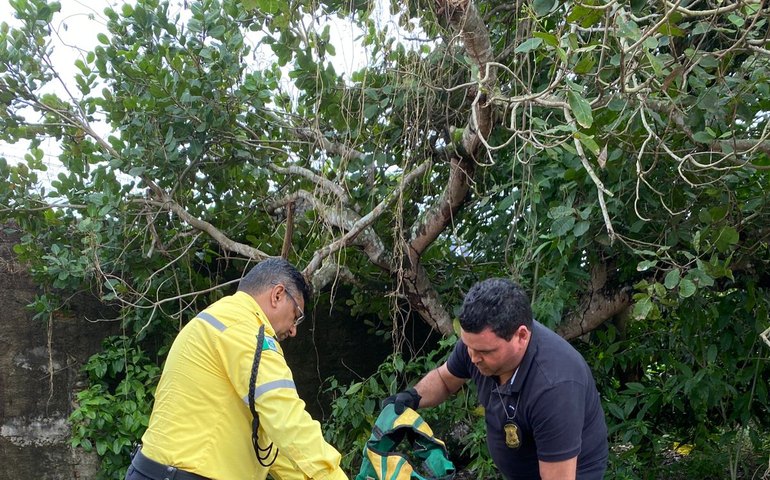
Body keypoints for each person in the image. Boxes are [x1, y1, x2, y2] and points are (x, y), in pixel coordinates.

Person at [126, 258, 348, 480]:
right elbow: (287, 418)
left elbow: (267, 444)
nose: (293, 331)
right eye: (296, 315)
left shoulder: (219, 319)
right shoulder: (246, 330)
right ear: (278, 295)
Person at [385, 278, 608, 480]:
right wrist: (412, 397)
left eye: (485, 352)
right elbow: (445, 380)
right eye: (468, 346)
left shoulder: (554, 387)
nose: (473, 358)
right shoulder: (478, 345)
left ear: (521, 336)